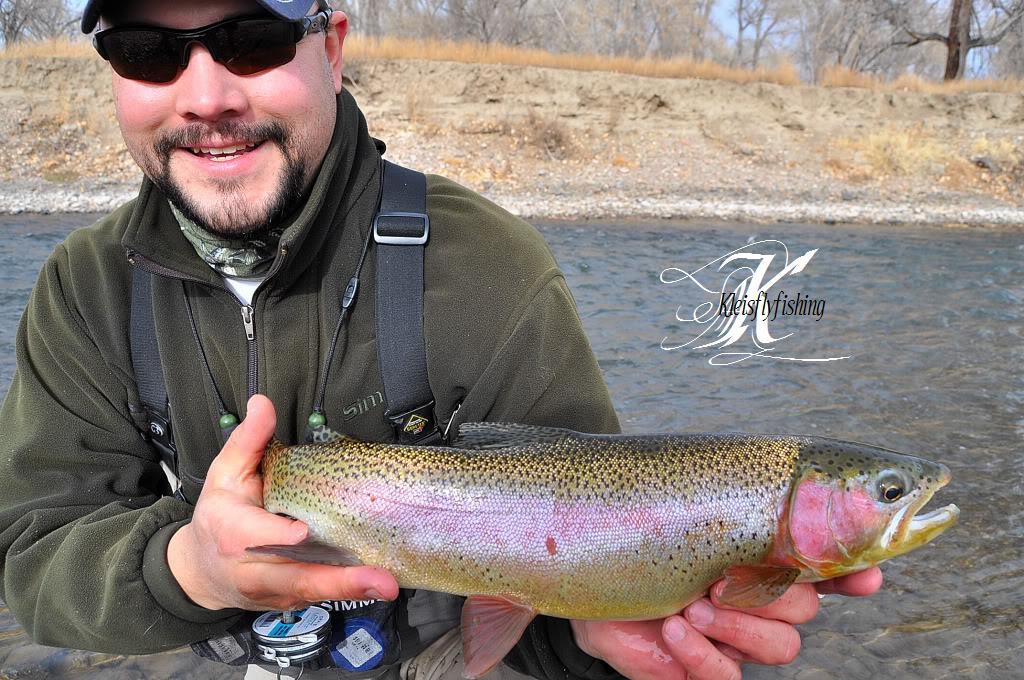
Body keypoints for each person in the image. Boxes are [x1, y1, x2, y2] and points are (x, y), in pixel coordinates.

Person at [0, 1, 882, 678]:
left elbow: (554, 606)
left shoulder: (485, 268)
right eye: (147, 52)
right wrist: (190, 568)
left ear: (332, 47)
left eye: (252, 41)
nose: (206, 98)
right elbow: (34, 571)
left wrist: (591, 637)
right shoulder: (85, 288)